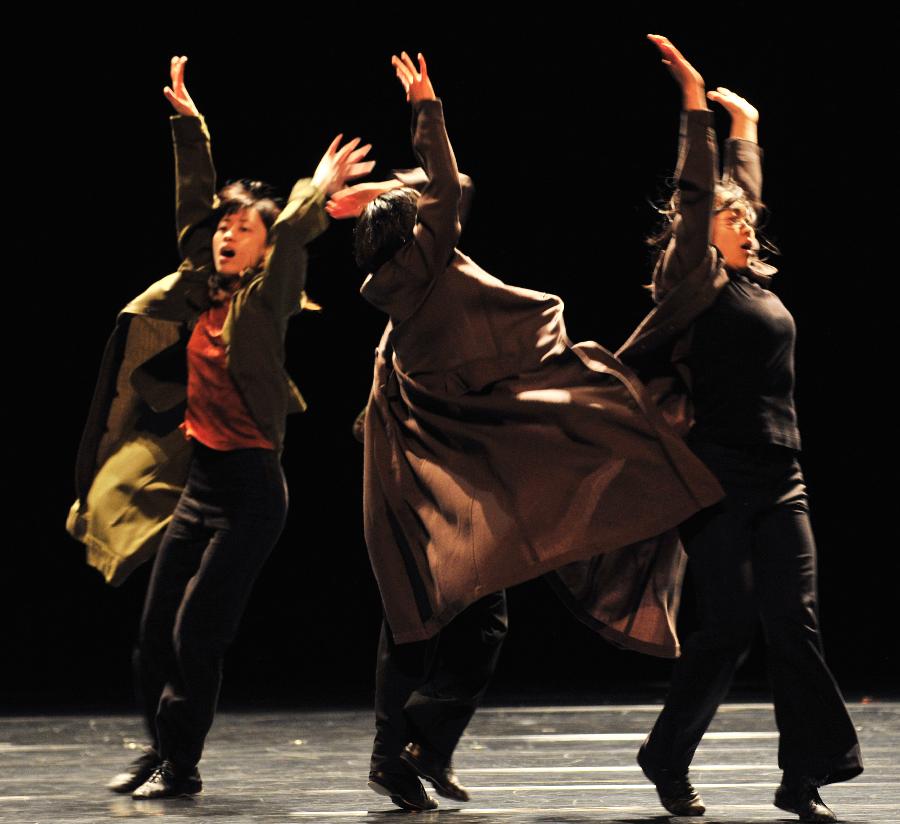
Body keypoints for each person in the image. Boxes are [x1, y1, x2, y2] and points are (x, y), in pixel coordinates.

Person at [328, 51, 725, 812]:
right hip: (450, 473)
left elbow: (448, 194)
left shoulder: (396, 296)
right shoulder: (431, 259)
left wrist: (369, 198)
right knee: (440, 621)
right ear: (415, 234)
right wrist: (426, 108)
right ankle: (400, 750)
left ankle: (419, 747)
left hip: (432, 475)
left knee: (452, 617)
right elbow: (452, 184)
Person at [69, 56, 373, 799]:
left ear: (267, 246)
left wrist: (314, 188)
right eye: (225, 227)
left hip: (250, 498)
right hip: (199, 486)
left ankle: (183, 766)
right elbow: (192, 202)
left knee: (195, 636)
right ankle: (162, 749)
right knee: (150, 640)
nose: (226, 235)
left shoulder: (266, 303)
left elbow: (297, 233)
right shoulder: (200, 287)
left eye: (244, 228)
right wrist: (187, 123)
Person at [619, 35, 863, 823]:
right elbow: (699, 196)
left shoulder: (753, 275)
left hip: (781, 475)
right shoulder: (691, 282)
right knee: (725, 628)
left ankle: (805, 776)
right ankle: (667, 757)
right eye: (731, 217)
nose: (746, 222)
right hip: (715, 476)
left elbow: (736, 188)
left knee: (795, 623)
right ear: (702, 230)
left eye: (747, 215)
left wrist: (747, 127)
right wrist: (693, 105)